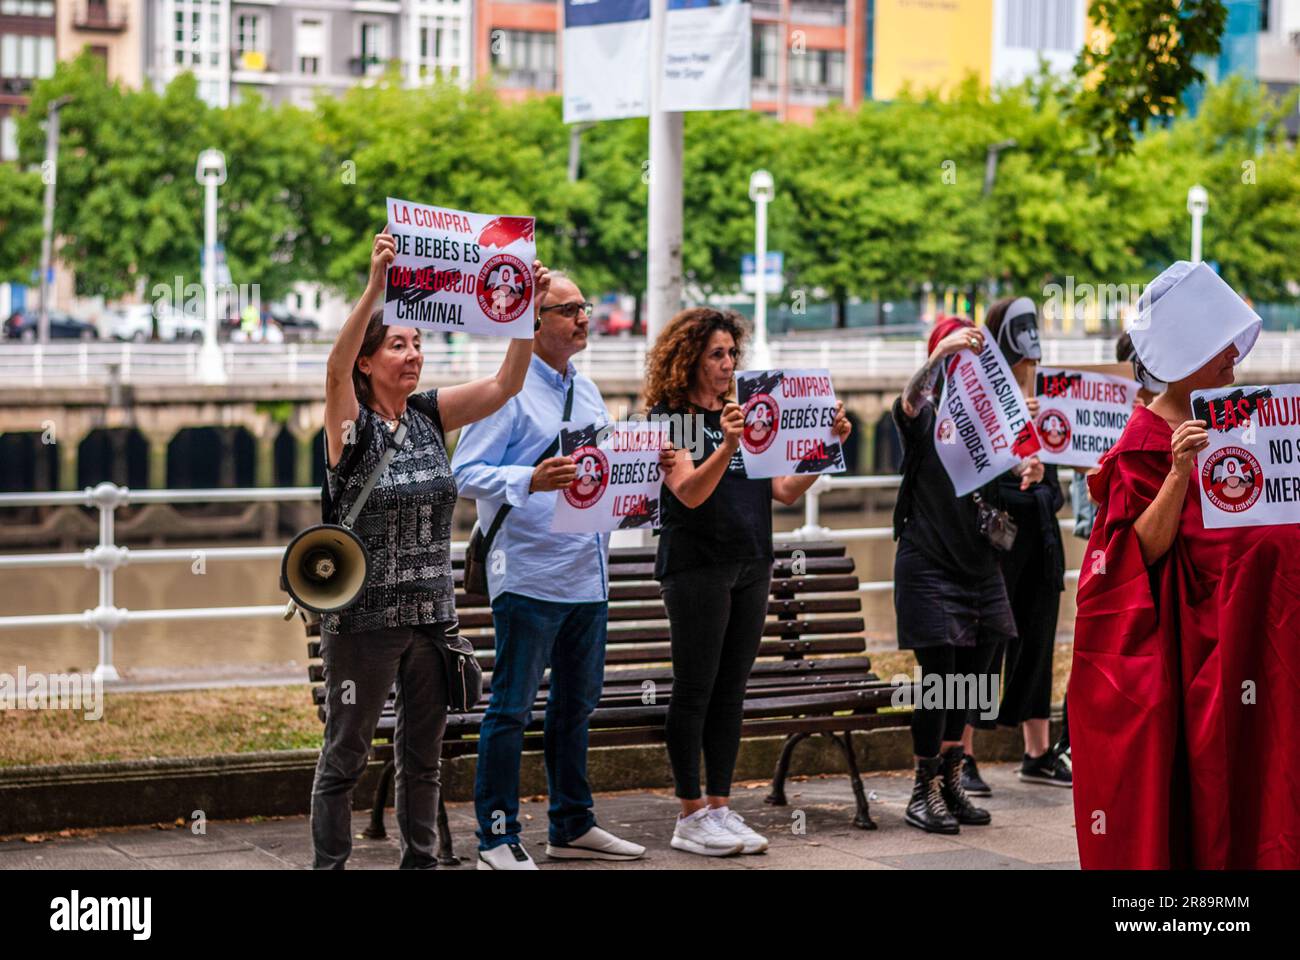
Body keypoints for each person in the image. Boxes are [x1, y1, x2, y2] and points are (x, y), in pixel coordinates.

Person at [311, 228, 541, 869]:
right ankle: (329, 865)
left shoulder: (429, 414)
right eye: (398, 346)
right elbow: (332, 368)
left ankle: (424, 863)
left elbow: (505, 384)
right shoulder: (348, 426)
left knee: (424, 757)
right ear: (367, 359)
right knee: (346, 755)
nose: (413, 356)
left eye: (418, 344)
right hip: (365, 622)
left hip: (433, 621)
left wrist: (523, 311)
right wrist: (375, 286)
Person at [1071, 260, 1300, 868]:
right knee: (1200, 792)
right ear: (1186, 353)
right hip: (1189, 653)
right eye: (1219, 346)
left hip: (1250, 634)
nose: (1234, 357)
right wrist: (1178, 474)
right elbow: (1129, 558)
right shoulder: (1144, 440)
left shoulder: (1239, 417)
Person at [452, 271, 673, 870]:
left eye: (585, 307)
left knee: (576, 706)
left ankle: (572, 825)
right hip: (529, 574)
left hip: (587, 574)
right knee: (512, 708)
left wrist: (644, 472)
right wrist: (530, 478)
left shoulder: (591, 391)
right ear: (532, 321)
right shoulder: (507, 392)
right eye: (567, 309)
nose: (583, 318)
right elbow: (464, 472)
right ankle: (495, 836)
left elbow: (596, 478)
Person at [644, 308, 852, 857]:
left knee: (731, 691)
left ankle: (719, 805)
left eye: (733, 354)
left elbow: (783, 490)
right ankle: (689, 814)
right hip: (696, 566)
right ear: (688, 359)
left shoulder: (747, 413)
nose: (728, 364)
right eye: (716, 354)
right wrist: (729, 445)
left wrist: (824, 448)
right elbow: (688, 491)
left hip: (751, 561)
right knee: (695, 689)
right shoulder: (672, 418)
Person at [892, 315, 1044, 834]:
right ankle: (923, 789)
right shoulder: (926, 416)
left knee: (976, 682)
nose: (966, 364)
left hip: (980, 567)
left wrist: (1029, 467)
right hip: (929, 564)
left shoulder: (994, 422)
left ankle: (952, 782)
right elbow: (909, 399)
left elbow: (1017, 477)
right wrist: (938, 356)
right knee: (940, 681)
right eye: (957, 355)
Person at [962, 297, 1072, 794]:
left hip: (1040, 545)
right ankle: (961, 752)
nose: (1028, 364)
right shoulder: (976, 397)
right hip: (996, 543)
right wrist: (1009, 447)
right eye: (1020, 356)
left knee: (1037, 644)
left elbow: (1058, 494)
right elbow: (964, 472)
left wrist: (1040, 471)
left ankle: (1036, 752)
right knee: (985, 649)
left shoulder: (1049, 404)